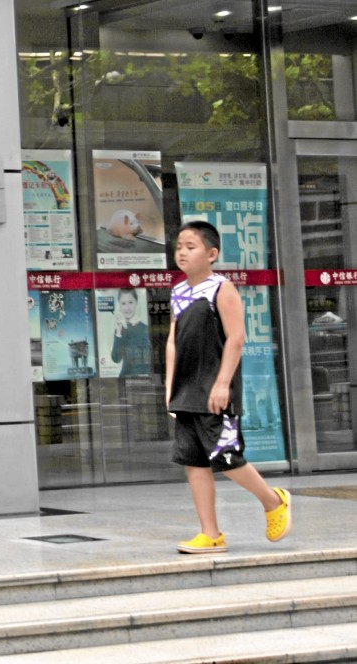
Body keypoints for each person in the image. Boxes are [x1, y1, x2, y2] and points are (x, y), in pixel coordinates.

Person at [166, 219, 291, 554]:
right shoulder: (178, 291)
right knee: (194, 462)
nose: (182, 252)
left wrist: (223, 384)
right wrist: (169, 388)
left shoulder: (222, 288)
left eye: (190, 247)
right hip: (186, 393)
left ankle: (273, 501)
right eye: (179, 246)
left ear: (211, 253)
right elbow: (173, 344)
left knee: (226, 456)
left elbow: (237, 338)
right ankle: (211, 533)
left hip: (215, 391)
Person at [110, 287, 151, 378]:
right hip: (125, 380)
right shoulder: (119, 331)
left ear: (136, 302)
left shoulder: (146, 329)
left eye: (130, 302)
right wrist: (119, 330)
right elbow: (116, 359)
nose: (127, 308)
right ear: (119, 306)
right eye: (123, 303)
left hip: (145, 379)